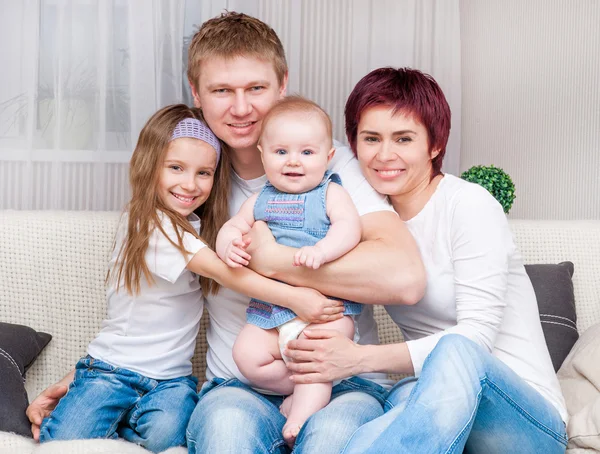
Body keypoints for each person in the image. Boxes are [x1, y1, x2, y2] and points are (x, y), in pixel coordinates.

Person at [27, 13, 426, 454]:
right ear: (196, 93)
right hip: (239, 383)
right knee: (226, 432)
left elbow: (403, 278)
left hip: (342, 378)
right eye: (221, 91)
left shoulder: (330, 166)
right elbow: (148, 301)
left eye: (255, 88)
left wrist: (273, 261)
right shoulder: (194, 180)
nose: (241, 108)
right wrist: (88, 377)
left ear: (282, 84)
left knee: (330, 437)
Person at [281, 67, 569, 453]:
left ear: (434, 145)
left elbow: (476, 338)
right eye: (370, 139)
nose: (385, 155)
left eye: (404, 139)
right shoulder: (366, 224)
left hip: (525, 419)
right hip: (432, 398)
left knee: (457, 350)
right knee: (357, 438)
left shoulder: (468, 204)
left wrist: (358, 359)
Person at [35, 104, 344, 452]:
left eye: (203, 173)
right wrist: (294, 297)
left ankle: (119, 420)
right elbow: (226, 273)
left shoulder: (197, 227)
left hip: (172, 381)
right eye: (176, 168)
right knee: (64, 441)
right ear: (150, 166)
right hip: (112, 370)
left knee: (167, 438)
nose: (189, 184)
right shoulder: (148, 223)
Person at [216, 96, 362, 446]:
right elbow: (232, 227)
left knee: (320, 353)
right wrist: (228, 244)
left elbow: (349, 227)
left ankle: (299, 416)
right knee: (246, 356)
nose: (293, 161)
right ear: (263, 154)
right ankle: (304, 384)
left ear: (327, 158)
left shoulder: (331, 193)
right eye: (281, 152)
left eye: (307, 153)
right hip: (270, 313)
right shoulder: (258, 200)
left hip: (324, 312)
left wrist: (322, 250)